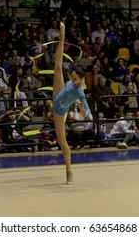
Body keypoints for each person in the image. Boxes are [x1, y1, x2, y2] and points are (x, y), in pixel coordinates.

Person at [53, 22, 91, 184]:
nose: (72, 77)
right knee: (58, 67)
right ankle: (62, 35)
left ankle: (69, 171)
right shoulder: (71, 81)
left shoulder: (79, 92)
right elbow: (60, 64)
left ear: (80, 80)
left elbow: (86, 110)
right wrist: (62, 35)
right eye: (72, 75)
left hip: (59, 111)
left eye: (74, 78)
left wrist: (85, 113)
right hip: (58, 94)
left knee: (62, 142)